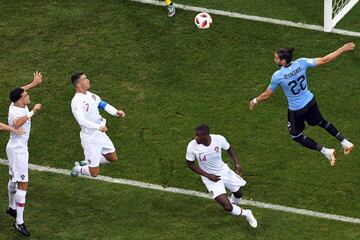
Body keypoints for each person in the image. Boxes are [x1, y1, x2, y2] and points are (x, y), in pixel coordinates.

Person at [249, 43, 355, 166]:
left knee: (296, 136)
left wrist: (255, 100)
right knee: (322, 122)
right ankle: (345, 142)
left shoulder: (278, 76)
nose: (274, 59)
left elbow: (267, 94)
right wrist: (342, 49)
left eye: (276, 58)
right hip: (311, 101)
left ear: (283, 61)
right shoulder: (302, 62)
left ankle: (327, 152)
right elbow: (324, 60)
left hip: (297, 110)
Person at [186, 124, 257, 228]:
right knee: (227, 207)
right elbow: (190, 164)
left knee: (239, 194)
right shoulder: (192, 146)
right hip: (210, 179)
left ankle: (234, 206)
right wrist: (207, 175)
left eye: (198, 136)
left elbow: (229, 149)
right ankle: (247, 213)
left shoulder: (218, 139)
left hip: (224, 171)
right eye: (196, 135)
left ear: (206, 136)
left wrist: (237, 163)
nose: (196, 138)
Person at [6, 71, 43, 236]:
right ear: (21, 99)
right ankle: (19, 222)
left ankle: (12, 208)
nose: (28, 96)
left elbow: (20, 89)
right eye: (26, 95)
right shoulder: (18, 112)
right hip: (19, 150)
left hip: (12, 147)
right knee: (23, 183)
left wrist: (33, 84)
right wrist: (33, 111)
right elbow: (17, 123)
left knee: (13, 178)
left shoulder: (15, 103)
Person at [70, 72, 125, 178]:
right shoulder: (76, 101)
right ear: (78, 85)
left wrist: (115, 112)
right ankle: (78, 168)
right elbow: (81, 120)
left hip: (100, 134)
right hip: (90, 138)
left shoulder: (91, 95)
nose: (88, 80)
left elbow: (102, 104)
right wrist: (98, 127)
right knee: (94, 173)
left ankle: (88, 161)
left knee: (112, 158)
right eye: (84, 79)